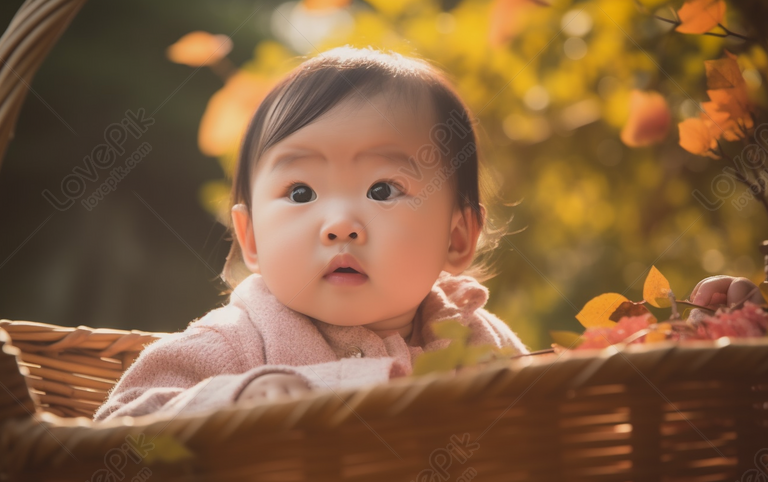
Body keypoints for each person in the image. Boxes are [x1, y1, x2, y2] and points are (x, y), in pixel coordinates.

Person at [94, 46, 530, 421]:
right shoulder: (233, 344)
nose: (340, 224)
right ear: (251, 239)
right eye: (300, 192)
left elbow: (552, 422)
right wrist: (231, 399)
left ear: (456, 238)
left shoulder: (476, 339)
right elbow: (117, 427)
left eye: (383, 190)